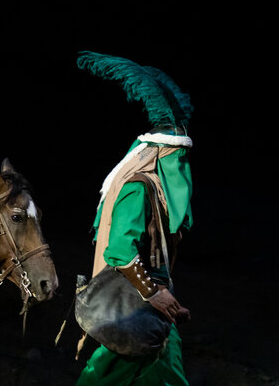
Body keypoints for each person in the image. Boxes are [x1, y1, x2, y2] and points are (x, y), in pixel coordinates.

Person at [75, 52, 194, 385]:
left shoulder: (156, 190)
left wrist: (165, 299)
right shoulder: (138, 189)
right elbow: (120, 251)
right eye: (176, 157)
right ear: (160, 153)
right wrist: (153, 293)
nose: (182, 165)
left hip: (150, 307)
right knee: (108, 373)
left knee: (161, 370)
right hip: (130, 306)